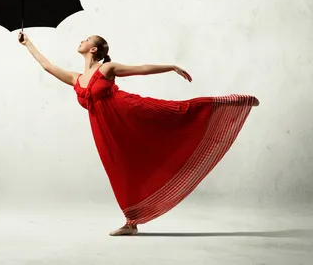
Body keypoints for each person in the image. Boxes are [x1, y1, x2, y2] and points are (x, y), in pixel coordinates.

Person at [19, 32, 259, 236]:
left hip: (130, 111)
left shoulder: (107, 68)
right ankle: (131, 222)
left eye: (87, 39)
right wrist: (28, 43)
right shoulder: (76, 78)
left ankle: (228, 104)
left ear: (93, 49)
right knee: (120, 170)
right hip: (107, 131)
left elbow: (141, 69)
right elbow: (47, 66)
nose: (81, 40)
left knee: (176, 111)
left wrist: (171, 66)